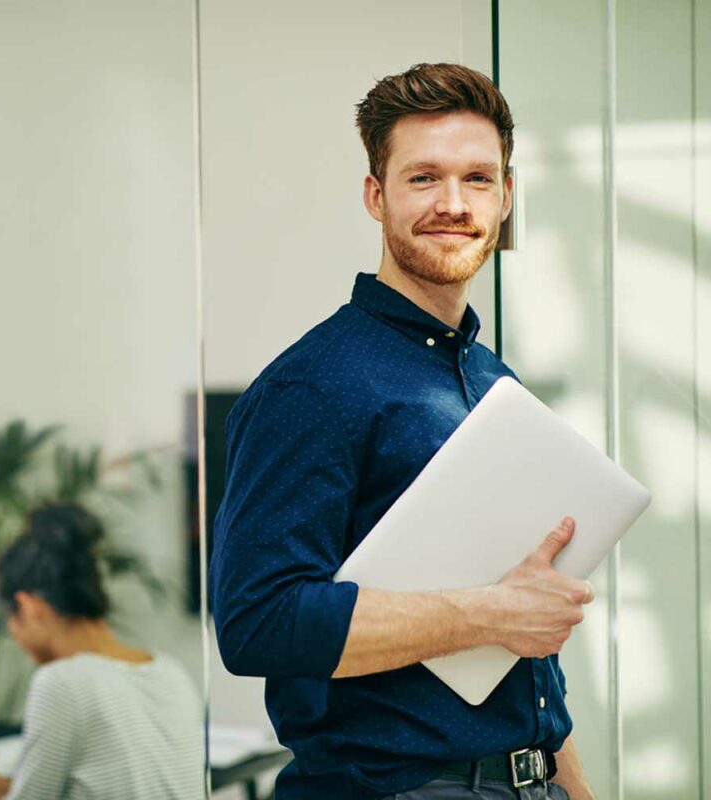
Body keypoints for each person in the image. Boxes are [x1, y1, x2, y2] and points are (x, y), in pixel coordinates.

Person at [210, 63, 597, 800]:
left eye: (478, 179)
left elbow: (530, 655)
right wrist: (492, 612)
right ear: (375, 195)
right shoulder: (313, 385)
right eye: (424, 178)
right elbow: (256, 622)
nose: (453, 204)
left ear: (507, 198)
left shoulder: (494, 383)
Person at [0, 503, 202, 800]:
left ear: (29, 609)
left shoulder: (62, 681)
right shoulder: (170, 670)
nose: (13, 638)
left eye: (7, 624)